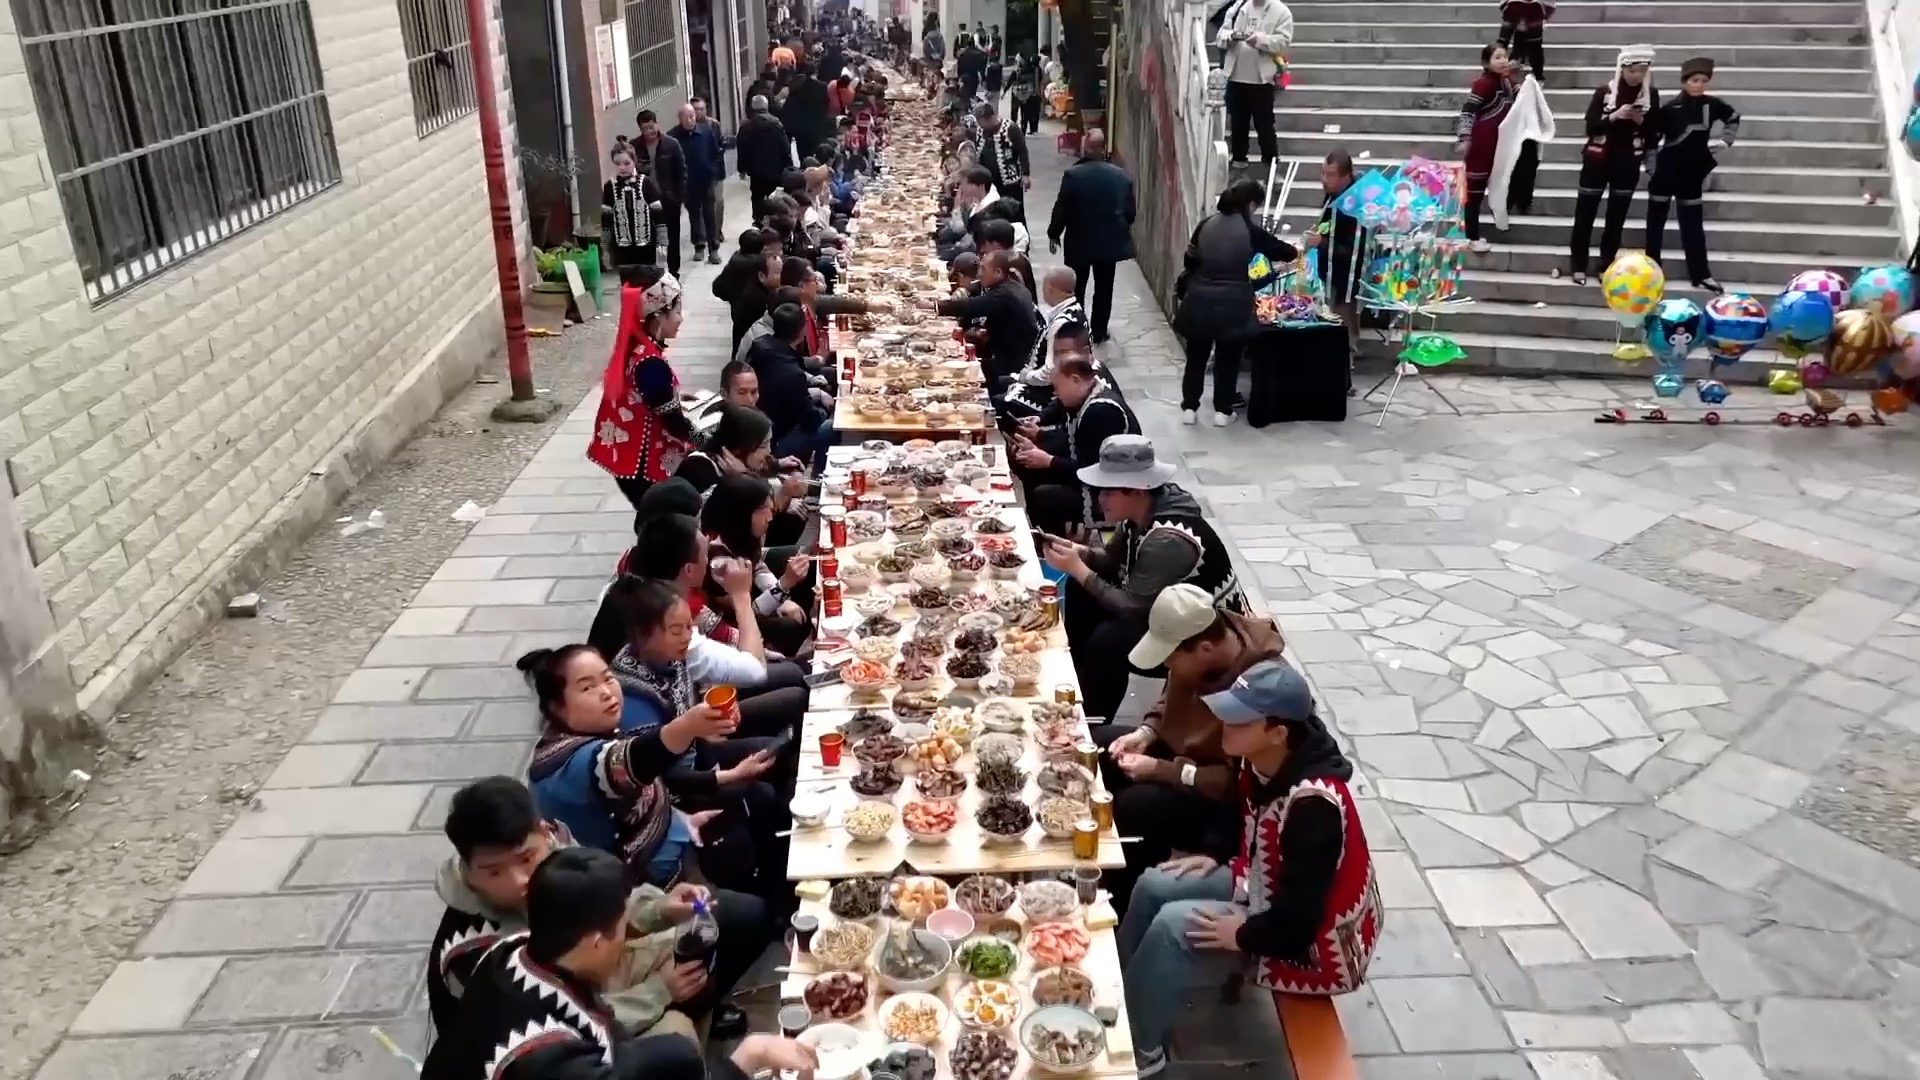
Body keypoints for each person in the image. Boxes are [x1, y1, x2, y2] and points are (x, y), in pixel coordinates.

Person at [1117, 659, 1380, 1076]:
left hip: (1310, 944)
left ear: (1278, 733)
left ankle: (1139, 1051)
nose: (1225, 725)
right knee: (1154, 884)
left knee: (1174, 928)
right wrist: (1215, 852)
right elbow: (1235, 813)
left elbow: (1299, 922)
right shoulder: (1259, 758)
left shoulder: (1315, 808)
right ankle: (1118, 992)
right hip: (1263, 885)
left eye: (1239, 720)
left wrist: (1240, 934)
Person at [422, 844, 816, 1080]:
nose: (627, 936)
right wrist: (748, 1058)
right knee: (679, 1053)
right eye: (623, 928)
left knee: (675, 1051)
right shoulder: (549, 1060)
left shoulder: (516, 950)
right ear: (595, 943)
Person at [430, 776, 706, 1046]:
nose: (519, 880)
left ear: (544, 832)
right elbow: (556, 1028)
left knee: (693, 941)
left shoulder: (554, 848)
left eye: (526, 859)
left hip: (584, 978)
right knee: (675, 1037)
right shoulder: (476, 955)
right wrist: (656, 992)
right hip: (540, 1039)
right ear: (468, 870)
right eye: (494, 872)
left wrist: (660, 908)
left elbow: (597, 895)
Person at [604, 579, 802, 902]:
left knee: (777, 755)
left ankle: (782, 860)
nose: (687, 637)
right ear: (643, 634)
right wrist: (729, 776)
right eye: (676, 630)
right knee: (762, 795)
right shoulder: (634, 697)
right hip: (676, 792)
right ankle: (769, 888)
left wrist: (705, 725)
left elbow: (684, 717)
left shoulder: (673, 656)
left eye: (688, 627)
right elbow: (663, 777)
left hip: (696, 755)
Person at [1094, 586, 1284, 914]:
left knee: (1137, 807)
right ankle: (1090, 854)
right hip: (1182, 758)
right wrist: (1147, 731)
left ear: (1205, 649)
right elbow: (1170, 694)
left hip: (1219, 797)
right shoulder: (1202, 648)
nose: (1167, 665)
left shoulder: (1257, 687)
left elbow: (1236, 781)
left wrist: (1160, 770)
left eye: (1171, 658)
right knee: (1100, 746)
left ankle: (1122, 902)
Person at [1040, 435, 1247, 725]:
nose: (1100, 498)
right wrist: (1080, 553)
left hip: (1202, 634)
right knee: (1080, 588)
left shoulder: (1167, 540)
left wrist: (1077, 568)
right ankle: (1071, 673)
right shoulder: (1140, 513)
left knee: (1109, 641)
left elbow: (1132, 607)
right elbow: (1112, 562)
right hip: (1164, 609)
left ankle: (1089, 721)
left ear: (1138, 490)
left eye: (1108, 491)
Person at [1174, 179, 1297, 426]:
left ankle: (1190, 407)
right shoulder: (1249, 230)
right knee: (1228, 358)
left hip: (1199, 299)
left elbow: (1190, 260)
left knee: (1196, 356)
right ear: (1250, 204)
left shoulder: (1206, 224)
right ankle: (1222, 410)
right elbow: (1284, 252)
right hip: (1233, 303)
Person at [589, 268, 695, 511]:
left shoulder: (636, 348)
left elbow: (650, 399)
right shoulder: (651, 365)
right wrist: (710, 440)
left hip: (630, 460)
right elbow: (675, 424)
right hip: (645, 465)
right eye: (676, 311)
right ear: (657, 315)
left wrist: (675, 399)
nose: (681, 318)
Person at [1013, 352, 1139, 536]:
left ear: (1075, 380)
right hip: (1089, 471)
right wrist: (1039, 428)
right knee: (1025, 462)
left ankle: (1052, 544)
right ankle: (1045, 532)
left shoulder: (1100, 412)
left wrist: (1049, 461)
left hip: (1110, 489)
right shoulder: (1088, 389)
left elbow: (1093, 470)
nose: (1055, 393)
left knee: (1044, 498)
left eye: (1057, 387)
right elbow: (1060, 410)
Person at [1562, 46, 1657, 285]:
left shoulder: (1650, 95)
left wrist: (1641, 121)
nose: (1637, 75)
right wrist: (1613, 116)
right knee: (1585, 213)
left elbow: (1654, 133)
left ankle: (1606, 264)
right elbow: (1590, 126)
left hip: (1627, 161)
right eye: (1633, 70)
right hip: (1598, 159)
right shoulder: (1605, 92)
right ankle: (1578, 264)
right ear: (1622, 69)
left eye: (1642, 71)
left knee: (1616, 218)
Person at [1645, 56, 1739, 292]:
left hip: (1692, 173)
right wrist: (1651, 166)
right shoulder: (1670, 109)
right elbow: (1651, 138)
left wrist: (1726, 141)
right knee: (1655, 225)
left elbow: (1733, 117)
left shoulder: (1712, 105)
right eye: (1694, 80)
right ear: (1685, 81)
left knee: (1693, 226)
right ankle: (1651, 272)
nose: (1698, 85)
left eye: (1703, 81)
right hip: (1666, 171)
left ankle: (1701, 274)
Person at [702, 473, 814, 658]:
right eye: (763, 510)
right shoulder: (717, 562)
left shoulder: (739, 534)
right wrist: (783, 587)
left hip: (746, 595)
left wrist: (783, 599)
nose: (770, 517)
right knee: (788, 626)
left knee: (809, 561)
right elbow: (744, 614)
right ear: (741, 514)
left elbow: (757, 564)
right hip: (732, 626)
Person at [1047, 130, 1134, 343]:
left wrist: (1054, 233)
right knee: (1104, 287)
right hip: (1109, 242)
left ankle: (1078, 327)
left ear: (1086, 147)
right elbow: (1130, 212)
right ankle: (1099, 330)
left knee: (1077, 287)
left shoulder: (1073, 175)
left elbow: (1062, 208)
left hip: (1079, 241)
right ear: (1103, 148)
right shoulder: (1121, 176)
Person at [936, 249, 1041, 387]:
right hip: (1011, 355)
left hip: (1012, 365)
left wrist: (936, 306)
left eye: (983, 269)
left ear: (998, 272)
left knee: (957, 374)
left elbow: (972, 306)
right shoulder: (1013, 287)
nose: (980, 273)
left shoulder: (1004, 294)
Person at [748, 303, 836, 465]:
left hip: (767, 419)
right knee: (831, 427)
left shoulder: (760, 345)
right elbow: (810, 420)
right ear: (802, 331)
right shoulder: (792, 374)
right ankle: (820, 473)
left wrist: (817, 394)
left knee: (825, 383)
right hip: (777, 438)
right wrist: (824, 412)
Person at [1453, 42, 1521, 251]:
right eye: (1497, 57)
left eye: (1505, 56)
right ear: (1486, 63)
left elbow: (1523, 97)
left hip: (1500, 144)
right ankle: (1471, 236)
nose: (1503, 61)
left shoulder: (1508, 82)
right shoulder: (1482, 84)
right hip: (1481, 144)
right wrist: (1465, 138)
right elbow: (1468, 111)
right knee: (1474, 192)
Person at [1002, 265, 1090, 418]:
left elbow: (1049, 373)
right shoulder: (1077, 311)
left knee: (999, 399)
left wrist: (1026, 377)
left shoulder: (1061, 323)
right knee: (1001, 381)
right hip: (1055, 383)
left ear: (1049, 288)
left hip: (1051, 393)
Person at [1215, 0, 1293, 167]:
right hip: (1235, 74)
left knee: (1264, 124)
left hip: (1261, 79)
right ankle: (1238, 160)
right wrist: (1230, 37)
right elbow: (1221, 35)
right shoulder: (1238, 7)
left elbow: (1283, 41)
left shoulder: (1281, 11)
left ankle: (1270, 163)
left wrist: (1259, 40)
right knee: (1237, 122)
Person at [1307, 150, 1364, 356]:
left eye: (1330, 175)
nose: (1325, 179)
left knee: (1342, 316)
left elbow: (1354, 250)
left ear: (1345, 176)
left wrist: (1322, 242)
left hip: (1344, 274)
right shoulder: (1332, 195)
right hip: (1328, 267)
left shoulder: (1354, 204)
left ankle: (1346, 356)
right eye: (1323, 173)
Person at [631, 110, 688, 276]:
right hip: (645, 202)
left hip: (668, 200)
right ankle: (655, 272)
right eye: (645, 128)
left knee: (672, 238)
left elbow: (682, 172)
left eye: (652, 126)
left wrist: (678, 198)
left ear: (657, 124)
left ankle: (674, 272)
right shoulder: (635, 147)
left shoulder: (671, 144)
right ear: (640, 129)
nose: (650, 131)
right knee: (650, 238)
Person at [668, 103, 725, 266]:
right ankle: (699, 245)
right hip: (687, 183)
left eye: (692, 116)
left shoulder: (705, 131)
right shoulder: (673, 137)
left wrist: (713, 171)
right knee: (694, 215)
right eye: (686, 117)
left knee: (710, 214)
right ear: (679, 118)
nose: (690, 120)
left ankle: (713, 248)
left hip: (706, 180)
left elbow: (714, 152)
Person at [602, 148, 663, 275]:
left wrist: (663, 244)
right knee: (627, 281)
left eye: (626, 163)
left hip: (646, 246)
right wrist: (605, 249)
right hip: (622, 248)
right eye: (617, 164)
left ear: (634, 162)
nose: (622, 168)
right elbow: (606, 222)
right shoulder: (609, 187)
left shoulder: (645, 183)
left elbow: (659, 218)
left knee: (647, 280)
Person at [737, 96, 792, 210]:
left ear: (752, 107)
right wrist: (788, 164)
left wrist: (741, 169)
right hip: (775, 170)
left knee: (757, 197)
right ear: (766, 106)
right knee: (775, 198)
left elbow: (741, 149)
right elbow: (785, 146)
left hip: (756, 172)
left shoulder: (746, 126)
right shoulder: (776, 124)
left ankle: (758, 217)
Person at [730, 248, 784, 350]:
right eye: (777, 273)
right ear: (761, 276)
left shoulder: (758, 290)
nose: (782, 277)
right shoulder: (756, 301)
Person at [974, 102, 1029, 194]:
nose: (980, 125)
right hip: (988, 181)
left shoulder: (1010, 128)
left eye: (981, 122)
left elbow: (1022, 151)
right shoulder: (980, 131)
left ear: (990, 119)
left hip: (1009, 180)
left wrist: (1025, 174)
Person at [1497, 0, 1553, 77]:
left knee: (1534, 46)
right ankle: (1515, 60)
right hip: (1516, 8)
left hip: (1532, 10)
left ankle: (1518, 60)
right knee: (1504, 41)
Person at [1010, 51, 1044, 134]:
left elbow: (1013, 81)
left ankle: (1024, 129)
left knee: (1025, 113)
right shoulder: (1036, 69)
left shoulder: (1020, 70)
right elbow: (1040, 82)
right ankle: (1033, 129)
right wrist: (1040, 93)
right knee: (1033, 112)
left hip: (1024, 94)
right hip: (1033, 93)